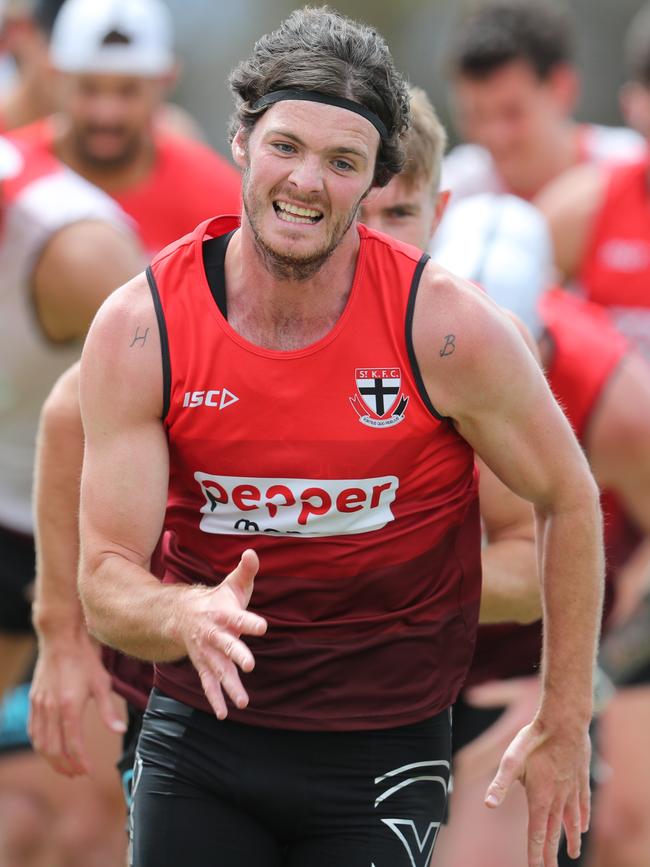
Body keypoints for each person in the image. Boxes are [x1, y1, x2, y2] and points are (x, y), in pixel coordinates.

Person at [77, 9, 602, 867]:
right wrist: (185, 611)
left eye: (343, 161)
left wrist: (566, 713)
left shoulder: (447, 328)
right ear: (241, 142)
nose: (307, 181)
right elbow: (105, 579)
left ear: (374, 183)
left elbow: (568, 496)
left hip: (381, 745)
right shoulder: (145, 325)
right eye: (286, 145)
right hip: (204, 736)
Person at [0, 133, 143, 863]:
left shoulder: (76, 252)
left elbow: (185, 397)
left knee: (80, 817)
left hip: (82, 531)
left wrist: (68, 617)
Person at [11, 0, 241, 255]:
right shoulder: (9, 178)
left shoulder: (221, 205)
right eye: (89, 88)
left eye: (128, 91)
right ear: (54, 77)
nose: (106, 113)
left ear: (166, 81)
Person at [442, 0, 643, 205]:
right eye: (476, 115)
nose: (495, 135)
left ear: (563, 89)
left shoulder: (634, 167)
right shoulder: (447, 193)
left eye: (512, 113)